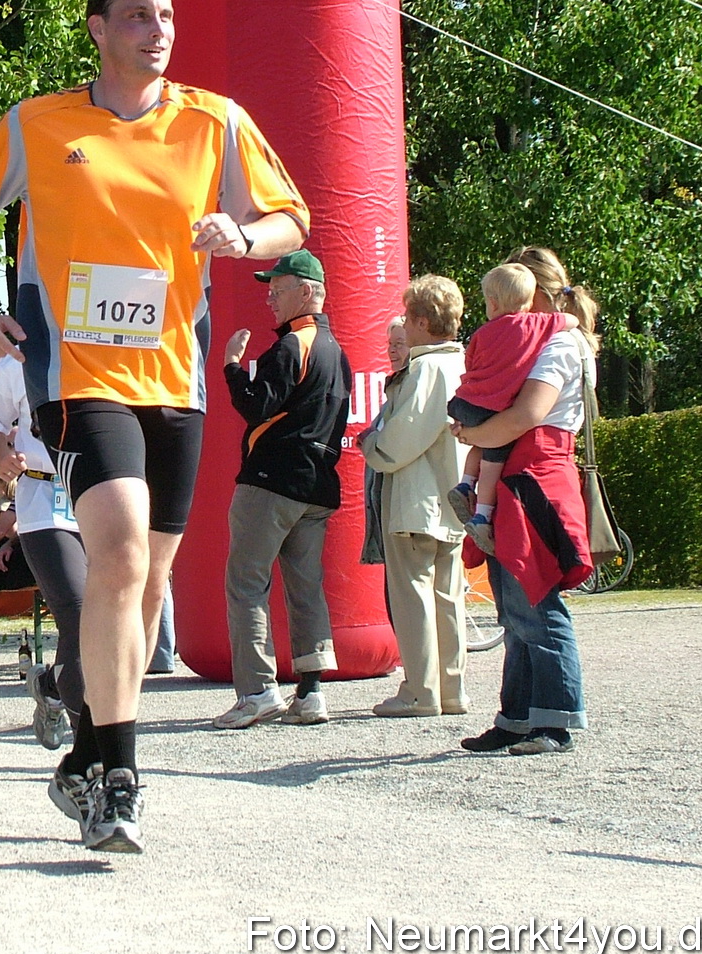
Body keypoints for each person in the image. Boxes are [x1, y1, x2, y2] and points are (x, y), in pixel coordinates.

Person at [0, 0, 307, 852]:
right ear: (98, 29)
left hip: (172, 380)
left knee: (144, 582)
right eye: (137, 14)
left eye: (167, 14)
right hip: (74, 377)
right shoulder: (36, 123)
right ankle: (117, 775)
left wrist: (242, 234)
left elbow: (291, 218)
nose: (157, 28)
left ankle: (82, 753)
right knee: (116, 551)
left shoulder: (214, 122)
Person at [454, 246, 598, 757]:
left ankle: (554, 718)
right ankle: (517, 716)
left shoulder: (561, 342)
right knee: (515, 605)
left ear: (533, 293)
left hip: (536, 472)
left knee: (535, 599)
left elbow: (528, 414)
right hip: (522, 469)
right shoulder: (548, 339)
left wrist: (472, 437)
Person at [215, 248, 351, 730]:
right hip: (316, 486)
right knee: (305, 585)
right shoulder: (338, 352)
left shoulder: (293, 346)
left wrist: (232, 366)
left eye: (279, 285)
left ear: (308, 291)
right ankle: (311, 692)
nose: (269, 294)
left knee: (247, 583)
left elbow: (256, 406)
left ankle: (256, 691)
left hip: (271, 481)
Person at [357, 275, 469, 718]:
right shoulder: (462, 364)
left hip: (415, 500)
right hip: (453, 496)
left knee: (413, 595)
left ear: (422, 322)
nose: (404, 324)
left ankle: (420, 690)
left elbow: (399, 440)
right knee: (448, 596)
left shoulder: (425, 368)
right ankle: (452, 687)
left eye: (408, 317)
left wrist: (371, 445)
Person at [0, 354, 89, 748]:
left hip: (102, 494)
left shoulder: (108, 347)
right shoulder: (17, 364)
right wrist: (2, 456)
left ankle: (53, 685)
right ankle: (92, 749)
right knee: (79, 615)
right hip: (43, 499)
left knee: (109, 620)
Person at [445, 263, 579, 555]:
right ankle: (481, 513)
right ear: (530, 301)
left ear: (491, 302)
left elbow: (472, 363)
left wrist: (468, 433)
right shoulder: (539, 327)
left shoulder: (482, 333)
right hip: (504, 422)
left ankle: (466, 483)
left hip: (464, 401)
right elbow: (524, 416)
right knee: (494, 451)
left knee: (480, 441)